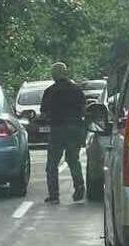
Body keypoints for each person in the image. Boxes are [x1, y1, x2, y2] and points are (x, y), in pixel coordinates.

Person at [41, 62, 86, 204]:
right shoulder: (77, 90)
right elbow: (83, 109)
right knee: (73, 159)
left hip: (58, 130)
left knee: (52, 164)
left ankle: (54, 195)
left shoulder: (50, 91)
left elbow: (44, 112)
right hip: (75, 128)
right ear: (65, 73)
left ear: (54, 74)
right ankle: (79, 187)